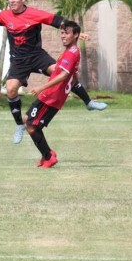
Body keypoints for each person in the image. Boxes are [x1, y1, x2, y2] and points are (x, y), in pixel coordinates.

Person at [0, 0, 107, 144]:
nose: (12, 0)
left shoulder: (34, 13)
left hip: (37, 56)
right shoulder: (4, 16)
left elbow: (58, 21)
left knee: (63, 72)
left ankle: (88, 102)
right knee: (11, 89)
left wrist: (78, 33)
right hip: (18, 61)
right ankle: (20, 125)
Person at [23, 20, 81, 168]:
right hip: (51, 95)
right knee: (30, 122)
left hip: (51, 97)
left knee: (30, 125)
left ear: (76, 35)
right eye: (62, 33)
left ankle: (48, 157)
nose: (63, 36)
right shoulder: (71, 52)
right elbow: (74, 77)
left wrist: (42, 87)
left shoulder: (71, 54)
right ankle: (47, 154)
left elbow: (62, 76)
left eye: (66, 33)